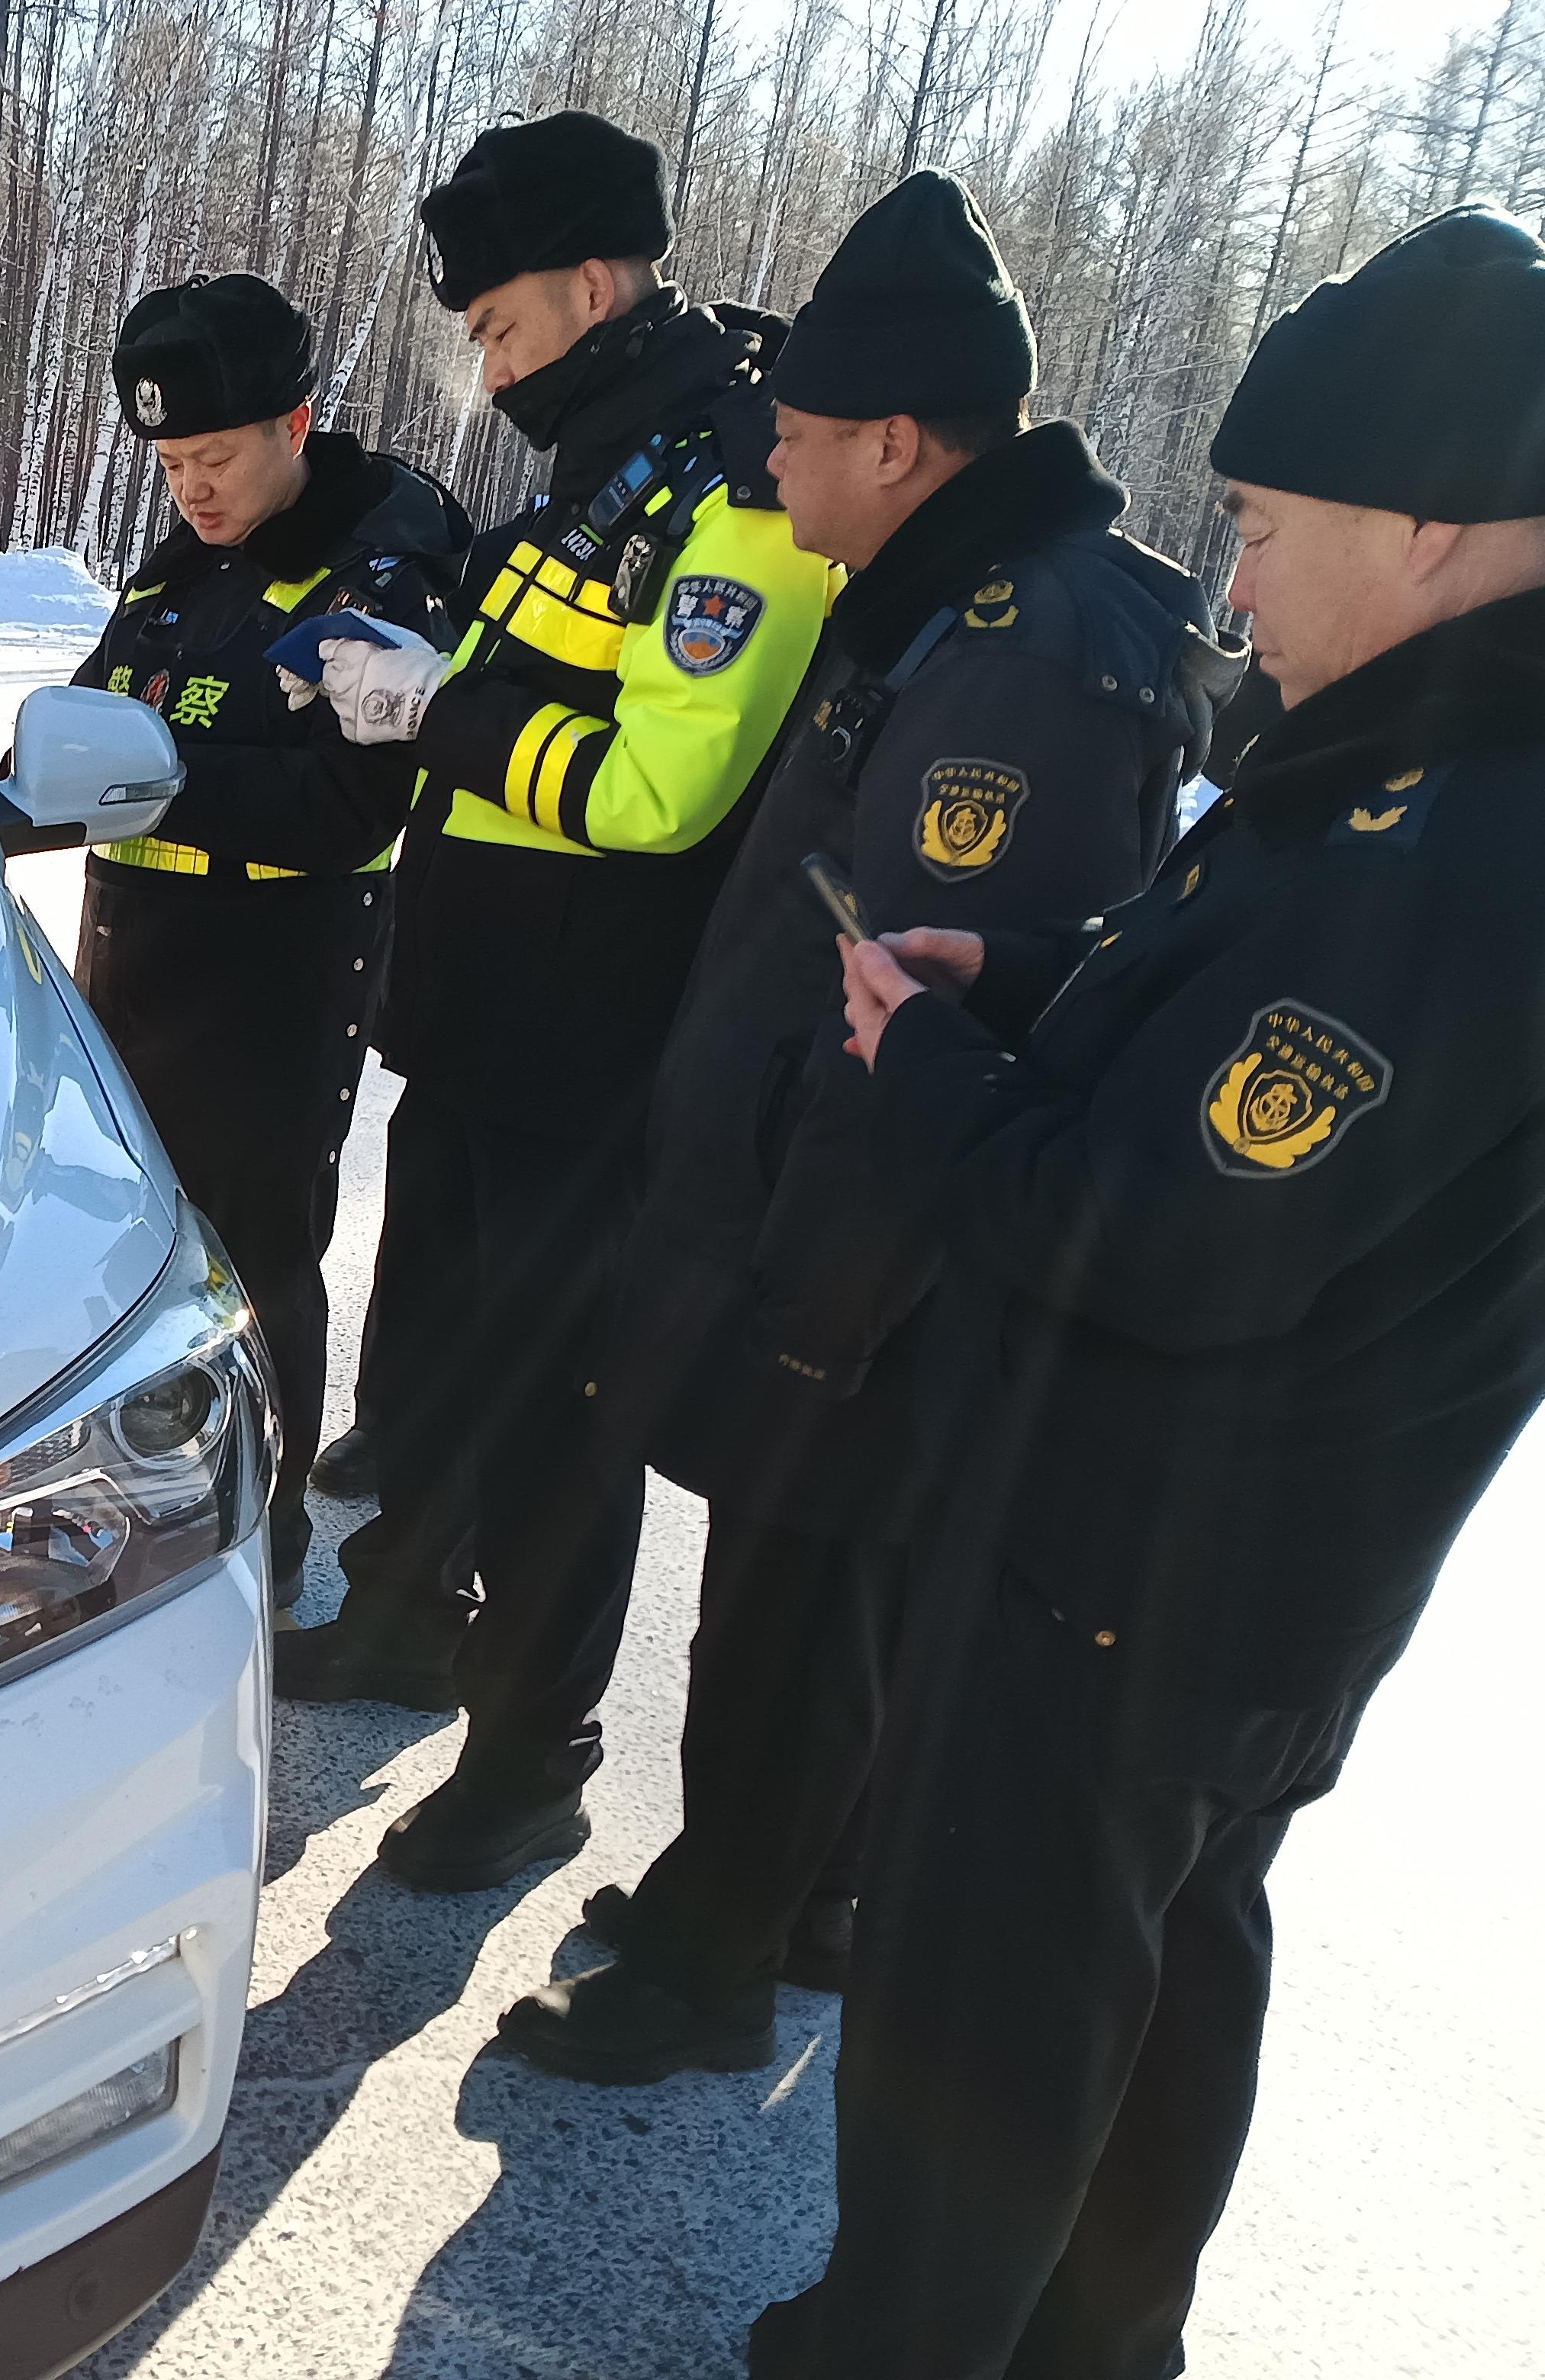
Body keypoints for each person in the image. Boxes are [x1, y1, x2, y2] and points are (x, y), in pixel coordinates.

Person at [749, 205, 1545, 2376]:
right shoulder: (1398, 755)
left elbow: (1168, 1232)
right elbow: (1216, 1017)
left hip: (1134, 1572)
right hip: (1242, 1579)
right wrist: (1024, 975)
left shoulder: (1464, 836)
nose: (1242, 585)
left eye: (1268, 528)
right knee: (1167, 1967)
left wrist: (926, 1070)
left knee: (987, 2013)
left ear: (1432, 522)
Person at [490, 172, 1240, 2082]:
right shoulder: (945, 602)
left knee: (790, 1613)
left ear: (896, 443)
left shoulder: (1016, 659)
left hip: (865, 1258)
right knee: (807, 1604)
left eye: (803, 435)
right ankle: (775, 1888)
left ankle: (711, 1964)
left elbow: (912, 1018)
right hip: (829, 1223)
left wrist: (824, 1303)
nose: (775, 465)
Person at [274, 113, 838, 1837]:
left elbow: (664, 789)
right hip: (478, 1026)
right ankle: (406, 1615)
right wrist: (406, 664)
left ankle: (532, 1760)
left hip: (589, 1058)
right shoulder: (604, 463)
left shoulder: (736, 489)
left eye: (502, 324)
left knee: (555, 1425)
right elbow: (533, 671)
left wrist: (435, 709)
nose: (492, 364)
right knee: (442, 1368)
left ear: (597, 283)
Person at [64, 272, 466, 1603]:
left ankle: (266, 1544)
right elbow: (93, 711)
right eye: (171, 462)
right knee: (135, 1262)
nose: (192, 486)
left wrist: (158, 773)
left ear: (295, 425)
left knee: (254, 1269)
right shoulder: (184, 568)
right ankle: (134, 1513)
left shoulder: (378, 566)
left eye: (217, 456)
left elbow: (356, 803)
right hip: (134, 972)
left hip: (271, 983)